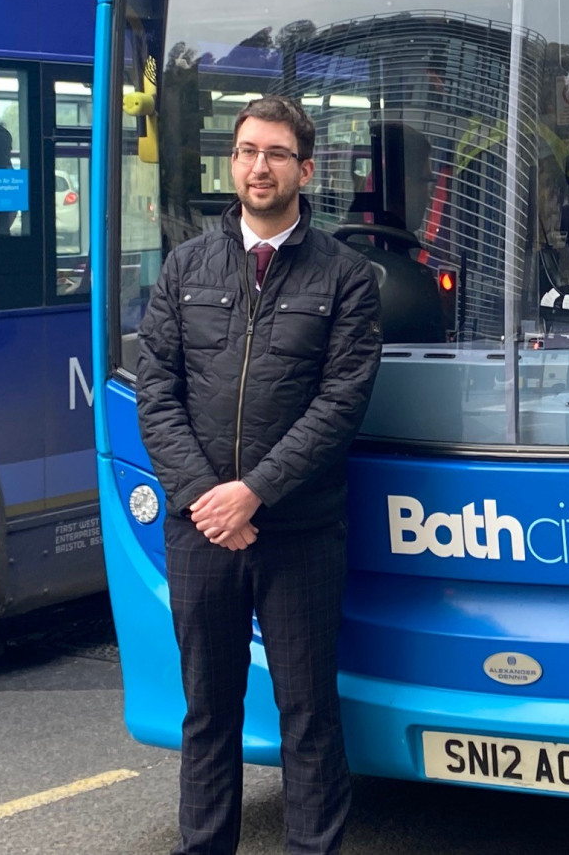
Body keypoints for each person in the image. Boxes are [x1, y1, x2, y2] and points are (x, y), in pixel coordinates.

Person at [135, 95, 382, 855]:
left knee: (308, 713)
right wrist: (208, 500)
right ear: (232, 162)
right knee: (208, 711)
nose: (258, 165)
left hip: (299, 531)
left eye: (275, 153)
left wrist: (256, 491)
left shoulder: (346, 276)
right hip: (201, 530)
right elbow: (156, 389)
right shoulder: (186, 267)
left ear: (305, 169)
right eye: (246, 150)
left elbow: (340, 404)